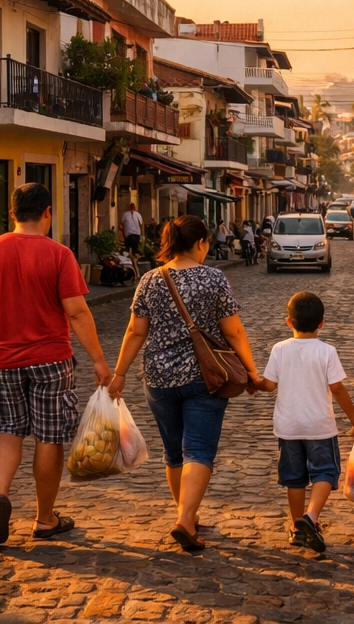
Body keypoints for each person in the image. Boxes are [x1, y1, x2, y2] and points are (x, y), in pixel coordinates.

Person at [0, 182, 111, 545]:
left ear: (12, 214)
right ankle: (45, 519)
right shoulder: (59, 255)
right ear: (47, 213)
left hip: (2, 360)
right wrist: (99, 360)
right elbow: (77, 312)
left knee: (7, 429)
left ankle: (2, 495)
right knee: (48, 437)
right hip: (51, 360)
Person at [108, 216, 261, 552]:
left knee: (173, 451)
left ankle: (186, 516)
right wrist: (251, 371)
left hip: (158, 379)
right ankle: (185, 520)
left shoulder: (150, 279)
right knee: (199, 450)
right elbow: (233, 330)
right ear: (200, 244)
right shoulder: (214, 279)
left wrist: (119, 373)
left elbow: (135, 331)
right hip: (205, 377)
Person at [252, 292, 354, 553]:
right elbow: (337, 389)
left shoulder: (279, 349)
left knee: (294, 479)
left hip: (288, 427)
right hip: (319, 426)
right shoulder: (327, 351)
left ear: (288, 322)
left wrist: (253, 383)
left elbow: (269, 385)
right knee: (325, 472)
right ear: (322, 323)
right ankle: (311, 517)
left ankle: (296, 528)